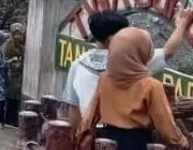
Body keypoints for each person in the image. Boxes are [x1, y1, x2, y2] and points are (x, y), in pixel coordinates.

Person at [62, 9, 190, 126]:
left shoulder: (77, 65)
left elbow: (74, 108)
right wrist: (184, 22)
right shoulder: (131, 60)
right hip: (123, 134)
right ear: (113, 39)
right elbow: (168, 51)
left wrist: (75, 140)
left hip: (89, 136)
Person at [1, 22, 26, 126]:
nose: (17, 36)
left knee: (17, 100)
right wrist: (13, 61)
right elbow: (4, 59)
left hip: (20, 76)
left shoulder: (24, 45)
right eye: (15, 34)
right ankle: (7, 119)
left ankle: (14, 120)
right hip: (10, 75)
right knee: (9, 99)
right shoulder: (8, 44)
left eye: (19, 33)